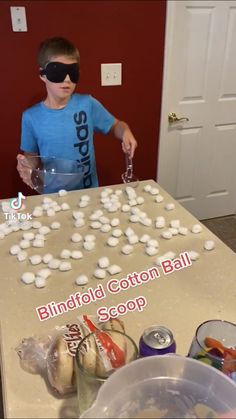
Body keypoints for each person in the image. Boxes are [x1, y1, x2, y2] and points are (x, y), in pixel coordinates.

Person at [17, 36, 137, 191]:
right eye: (58, 71)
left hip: (89, 192)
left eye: (72, 72)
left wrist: (125, 131)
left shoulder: (87, 104)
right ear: (42, 74)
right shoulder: (31, 117)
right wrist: (27, 166)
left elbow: (115, 125)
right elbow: (31, 156)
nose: (67, 79)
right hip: (53, 196)